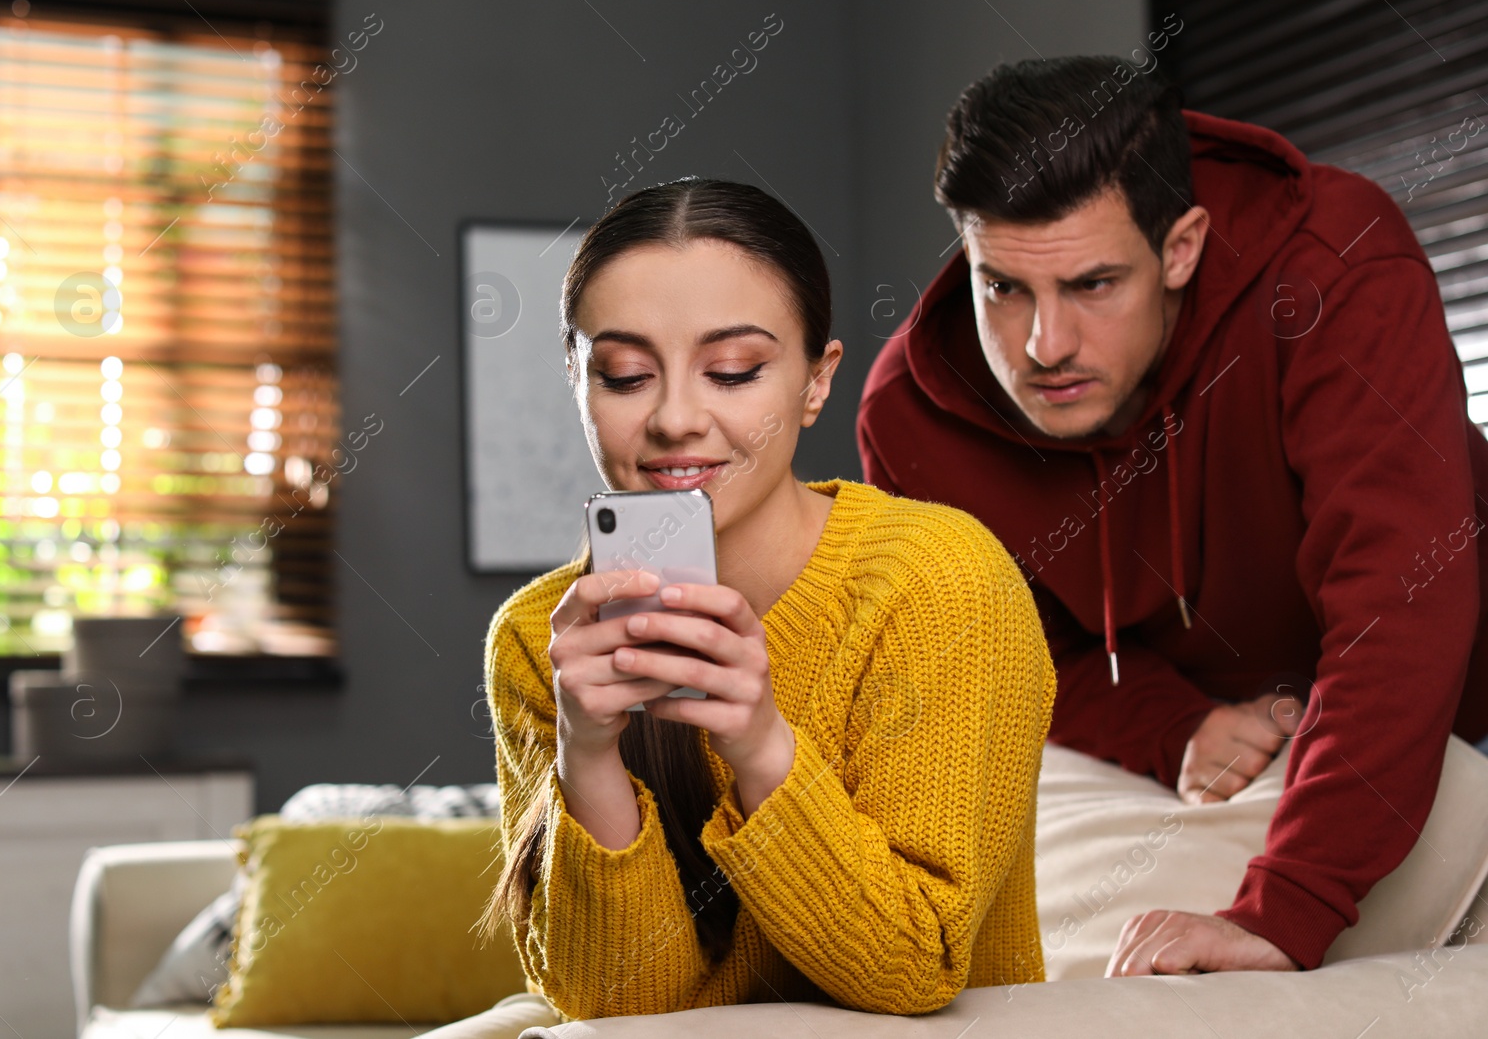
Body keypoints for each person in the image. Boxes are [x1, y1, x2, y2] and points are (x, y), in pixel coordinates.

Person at [857, 55, 1488, 977]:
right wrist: (1174, 726)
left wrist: (1287, 907)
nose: (1045, 345)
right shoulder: (909, 421)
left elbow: (1401, 599)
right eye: (1004, 286)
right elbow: (1017, 657)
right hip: (1244, 739)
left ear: (1181, 248)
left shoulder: (1334, 265)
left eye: (1093, 285)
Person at [475, 177, 1056, 1023]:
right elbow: (616, 1013)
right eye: (626, 375)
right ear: (577, 379)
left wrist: (760, 744)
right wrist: (589, 756)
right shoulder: (540, 640)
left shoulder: (940, 581)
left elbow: (914, 969)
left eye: (733, 371)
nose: (676, 418)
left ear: (816, 383)